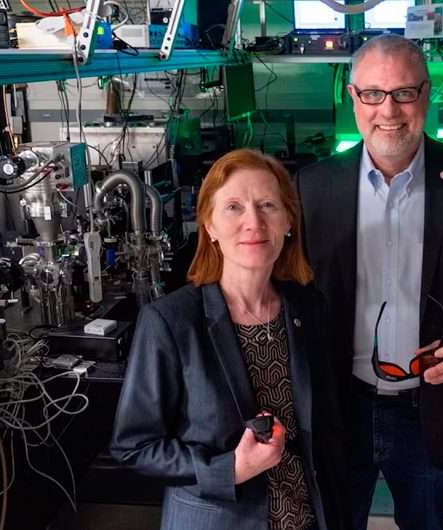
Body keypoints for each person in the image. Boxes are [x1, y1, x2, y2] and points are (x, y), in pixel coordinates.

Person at [295, 35, 443, 530]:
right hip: (340, 409)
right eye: (374, 94)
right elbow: (288, 295)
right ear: (352, 96)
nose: (390, 109)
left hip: (430, 412)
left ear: (428, 94)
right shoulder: (311, 186)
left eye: (405, 93)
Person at [112, 148, 350, 530]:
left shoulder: (309, 307)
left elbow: (328, 431)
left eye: (268, 205)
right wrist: (228, 470)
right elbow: (134, 446)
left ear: (289, 220)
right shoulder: (171, 320)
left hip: (306, 517)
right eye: (234, 208)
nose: (253, 222)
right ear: (209, 226)